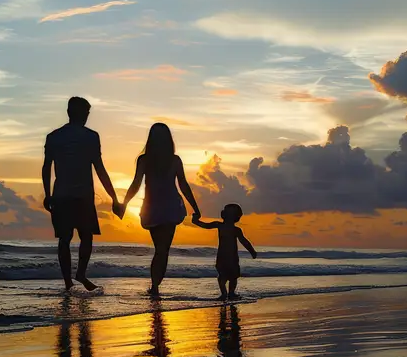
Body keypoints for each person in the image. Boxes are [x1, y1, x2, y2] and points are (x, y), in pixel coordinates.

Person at [43, 96, 119, 292]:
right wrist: (114, 197)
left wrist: (47, 194)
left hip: (61, 196)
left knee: (65, 239)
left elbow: (46, 168)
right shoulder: (91, 137)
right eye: (86, 113)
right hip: (82, 197)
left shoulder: (54, 137)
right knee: (85, 237)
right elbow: (100, 169)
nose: (86, 116)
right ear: (79, 113)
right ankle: (79, 274)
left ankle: (69, 280)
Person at [118, 123, 202, 298]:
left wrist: (125, 203)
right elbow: (184, 185)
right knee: (163, 250)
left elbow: (136, 184)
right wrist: (195, 208)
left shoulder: (145, 160)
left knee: (160, 249)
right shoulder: (174, 160)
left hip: (153, 206)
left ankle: (155, 286)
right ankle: (155, 285)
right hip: (169, 206)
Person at [192, 203, 257, 300]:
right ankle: (224, 293)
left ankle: (230, 293)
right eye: (226, 212)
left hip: (232, 257)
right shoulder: (219, 225)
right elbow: (206, 225)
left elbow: (244, 241)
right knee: (222, 276)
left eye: (229, 213)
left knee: (233, 277)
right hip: (223, 257)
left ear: (236, 217)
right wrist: (195, 221)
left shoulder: (236, 230)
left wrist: (252, 251)